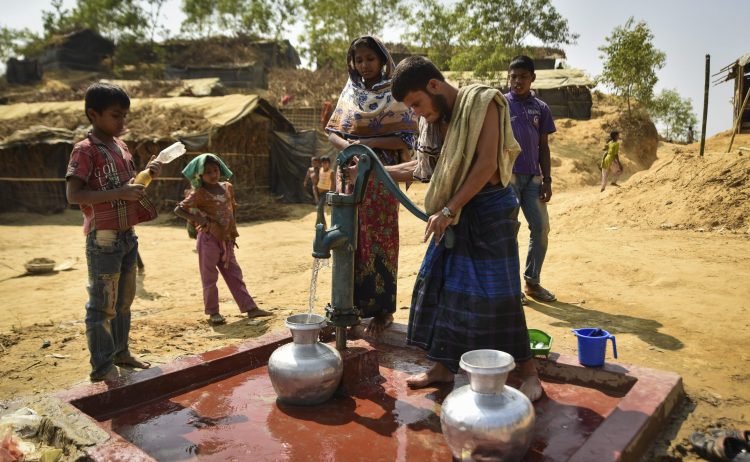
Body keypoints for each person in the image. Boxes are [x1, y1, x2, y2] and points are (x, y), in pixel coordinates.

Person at [367, 56, 543, 401]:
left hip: (490, 210)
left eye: (416, 104)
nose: (417, 113)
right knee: (441, 289)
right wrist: (375, 168)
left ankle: (530, 374)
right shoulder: (435, 122)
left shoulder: (482, 102)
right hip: (455, 213)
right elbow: (425, 166)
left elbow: (487, 163)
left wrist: (448, 209)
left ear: (434, 85)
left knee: (500, 296)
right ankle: (443, 367)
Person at [65, 82, 161, 382]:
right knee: (101, 306)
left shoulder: (121, 147)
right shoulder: (85, 150)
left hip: (127, 235)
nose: (122, 122)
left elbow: (126, 188)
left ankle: (121, 352)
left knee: (124, 302)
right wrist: (120, 191)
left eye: (124, 116)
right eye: (116, 116)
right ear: (94, 114)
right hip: (103, 238)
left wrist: (146, 175)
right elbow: (74, 195)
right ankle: (102, 367)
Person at [325, 36, 418, 335]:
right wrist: (350, 146)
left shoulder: (394, 92)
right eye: (359, 59)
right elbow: (332, 133)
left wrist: (364, 143)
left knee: (379, 239)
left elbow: (405, 137)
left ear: (382, 60)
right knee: (348, 237)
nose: (364, 65)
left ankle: (382, 311)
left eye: (370, 59)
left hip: (380, 172)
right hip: (349, 172)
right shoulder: (350, 92)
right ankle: (346, 306)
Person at [174, 153, 273, 325]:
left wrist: (231, 231)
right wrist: (202, 221)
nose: (213, 175)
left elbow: (231, 209)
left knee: (235, 274)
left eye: (215, 170)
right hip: (208, 240)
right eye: (208, 172)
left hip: (226, 240)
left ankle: (250, 308)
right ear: (200, 175)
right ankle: (213, 313)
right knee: (209, 277)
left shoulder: (227, 187)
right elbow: (179, 210)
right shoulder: (199, 193)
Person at [505, 55, 557, 304]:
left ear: (532, 78)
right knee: (508, 231)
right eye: (513, 76)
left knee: (541, 228)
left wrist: (547, 179)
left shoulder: (541, 108)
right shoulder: (501, 105)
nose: (517, 81)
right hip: (508, 177)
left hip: (534, 178)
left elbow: (544, 146)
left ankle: (532, 283)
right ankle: (511, 287)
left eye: (523, 76)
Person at [315, 157, 334, 226]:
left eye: (326, 163)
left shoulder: (331, 172)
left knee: (319, 208)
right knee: (319, 208)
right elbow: (319, 179)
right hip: (319, 192)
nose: (324, 164)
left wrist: (330, 193)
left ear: (329, 164)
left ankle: (320, 224)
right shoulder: (320, 169)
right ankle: (320, 223)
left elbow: (332, 183)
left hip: (326, 192)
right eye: (322, 162)